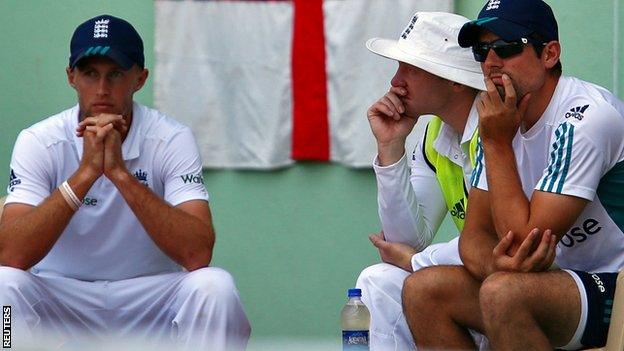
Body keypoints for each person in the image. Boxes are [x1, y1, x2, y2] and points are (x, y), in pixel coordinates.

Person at [0, 15, 250, 350]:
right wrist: (86, 174)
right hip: (64, 299)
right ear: (71, 76)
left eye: (115, 74)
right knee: (4, 285)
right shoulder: (40, 141)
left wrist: (119, 174)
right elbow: (11, 254)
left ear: (140, 78)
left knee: (214, 287)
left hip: (148, 300)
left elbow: (197, 253)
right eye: (90, 74)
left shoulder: (170, 139)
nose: (102, 90)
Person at [402, 0, 624, 350]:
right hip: (552, 283)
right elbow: (472, 240)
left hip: (615, 283)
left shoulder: (585, 118)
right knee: (423, 290)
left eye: (506, 48)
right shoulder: (502, 121)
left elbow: (525, 241)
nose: (490, 63)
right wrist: (496, 262)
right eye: (481, 50)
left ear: (549, 54)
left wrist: (497, 144)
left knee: (503, 293)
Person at [354, 11, 486, 350]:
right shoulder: (435, 132)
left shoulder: (499, 127)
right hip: (479, 279)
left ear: (454, 79)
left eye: (411, 68)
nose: (396, 81)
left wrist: (416, 261)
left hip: (531, 283)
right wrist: (390, 147)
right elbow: (407, 239)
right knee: (378, 279)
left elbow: (493, 242)